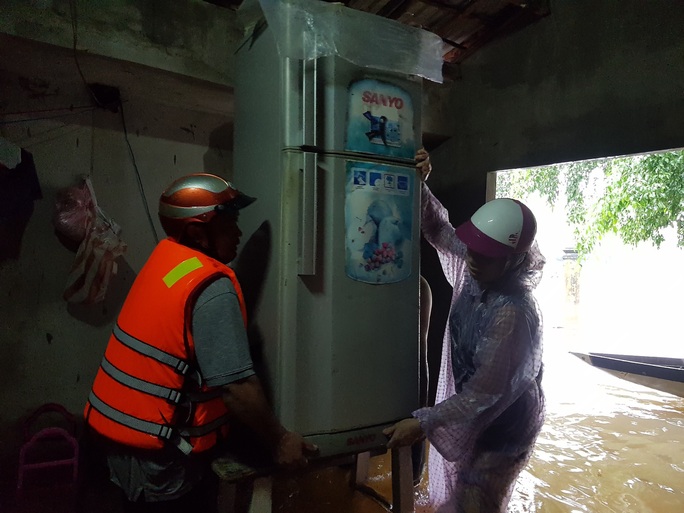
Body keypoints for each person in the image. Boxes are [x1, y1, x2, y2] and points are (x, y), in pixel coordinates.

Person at [83, 173, 317, 513]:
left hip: (117, 441)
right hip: (160, 458)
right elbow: (236, 388)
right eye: (230, 222)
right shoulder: (212, 286)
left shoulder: (168, 263)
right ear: (197, 232)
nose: (238, 231)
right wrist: (280, 440)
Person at [384, 149, 546, 512]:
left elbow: (483, 396)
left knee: (476, 500)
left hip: (506, 426)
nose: (472, 258)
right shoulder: (475, 268)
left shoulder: (512, 314)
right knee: (455, 493)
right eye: (472, 249)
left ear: (513, 259)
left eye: (486, 255)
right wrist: (420, 184)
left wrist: (422, 423)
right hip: (477, 405)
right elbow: (439, 230)